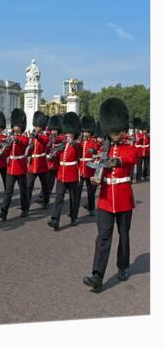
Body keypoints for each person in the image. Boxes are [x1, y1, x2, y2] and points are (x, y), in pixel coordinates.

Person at [83, 97, 139, 293]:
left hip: (123, 198)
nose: (114, 133)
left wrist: (118, 162)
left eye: (117, 130)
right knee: (103, 236)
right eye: (112, 130)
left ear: (122, 130)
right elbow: (96, 169)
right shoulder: (102, 149)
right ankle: (97, 275)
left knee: (123, 235)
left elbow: (132, 157)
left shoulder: (128, 147)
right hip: (106, 198)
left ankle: (122, 266)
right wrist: (95, 178)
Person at [47, 112, 82, 231]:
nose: (68, 135)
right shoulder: (62, 142)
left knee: (73, 198)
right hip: (61, 174)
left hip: (72, 175)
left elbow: (79, 151)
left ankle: (73, 217)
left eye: (70, 133)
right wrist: (52, 156)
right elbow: (56, 150)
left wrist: (73, 143)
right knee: (58, 198)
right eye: (67, 133)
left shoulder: (77, 144)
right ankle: (55, 219)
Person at [0, 108, 30, 221]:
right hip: (11, 167)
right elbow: (7, 150)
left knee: (23, 190)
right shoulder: (10, 137)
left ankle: (25, 208)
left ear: (21, 127)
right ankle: (4, 211)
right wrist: (2, 152)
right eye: (15, 126)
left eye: (18, 126)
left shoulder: (24, 137)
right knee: (8, 190)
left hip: (20, 167)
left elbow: (24, 143)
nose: (15, 128)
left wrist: (16, 140)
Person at [25, 111, 50, 209]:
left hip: (41, 164)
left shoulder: (44, 136)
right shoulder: (32, 136)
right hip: (32, 165)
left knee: (44, 185)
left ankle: (46, 201)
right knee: (28, 185)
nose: (36, 128)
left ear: (42, 127)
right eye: (35, 126)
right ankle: (26, 205)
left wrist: (36, 136)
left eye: (38, 126)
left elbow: (43, 140)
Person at [77, 115, 100, 216]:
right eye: (84, 131)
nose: (85, 133)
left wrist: (93, 151)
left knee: (91, 190)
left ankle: (91, 208)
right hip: (80, 168)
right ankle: (74, 209)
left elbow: (96, 148)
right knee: (77, 191)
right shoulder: (80, 141)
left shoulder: (93, 141)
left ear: (90, 132)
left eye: (87, 132)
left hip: (89, 168)